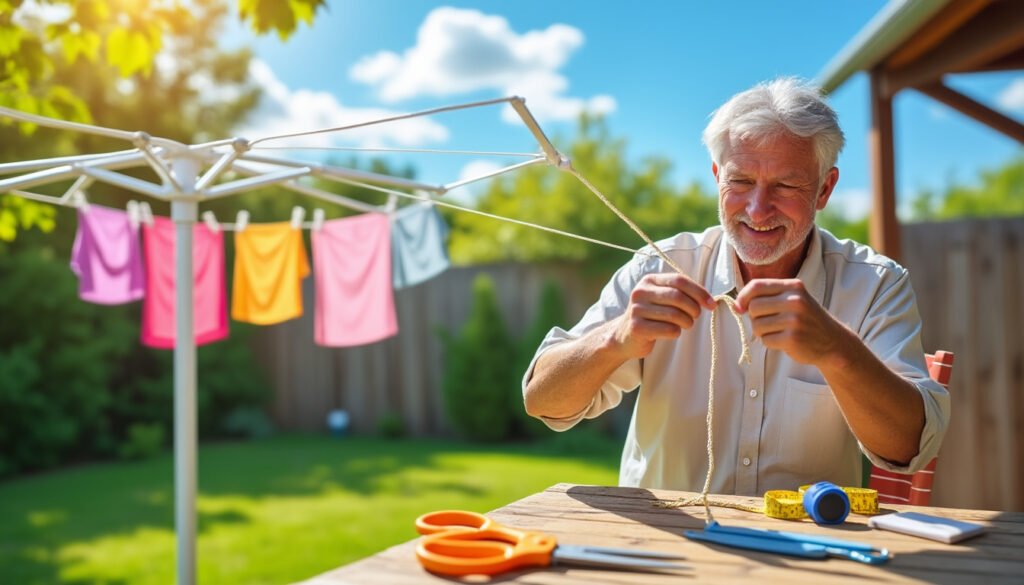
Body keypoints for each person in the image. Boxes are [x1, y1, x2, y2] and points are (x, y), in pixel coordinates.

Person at [522, 77, 950, 495]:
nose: (757, 209)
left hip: (806, 548)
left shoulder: (875, 283)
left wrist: (837, 350)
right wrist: (617, 337)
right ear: (716, 176)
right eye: (740, 181)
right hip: (664, 541)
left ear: (824, 189)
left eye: (785, 185)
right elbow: (543, 401)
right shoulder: (662, 266)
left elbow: (908, 449)